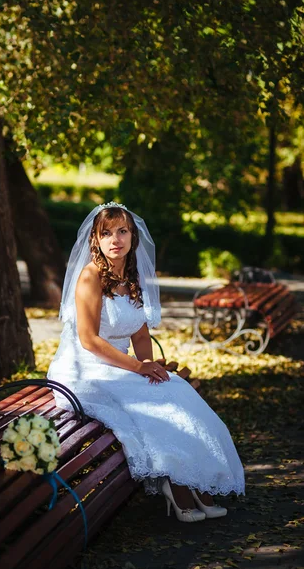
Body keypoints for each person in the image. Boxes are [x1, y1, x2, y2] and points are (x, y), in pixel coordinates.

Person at [48, 202, 245, 522]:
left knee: (177, 390)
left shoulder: (132, 274)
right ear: (95, 240)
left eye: (122, 231)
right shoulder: (90, 277)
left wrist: (148, 366)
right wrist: (139, 368)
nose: (115, 239)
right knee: (159, 403)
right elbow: (89, 340)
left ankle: (196, 482)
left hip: (119, 365)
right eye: (106, 233)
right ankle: (177, 485)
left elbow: (139, 335)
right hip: (83, 369)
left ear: (132, 236)